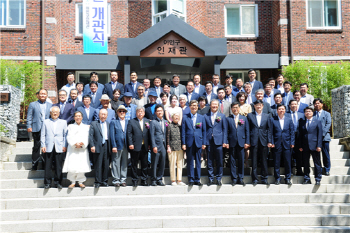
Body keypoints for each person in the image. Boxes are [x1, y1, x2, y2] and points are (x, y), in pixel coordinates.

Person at [40, 106, 67, 189]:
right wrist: (43, 145)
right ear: (50, 113)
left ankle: (58, 182)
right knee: (48, 165)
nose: (55, 113)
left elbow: (65, 135)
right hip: (48, 146)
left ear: (59, 113)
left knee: (59, 165)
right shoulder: (46, 122)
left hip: (59, 146)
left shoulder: (63, 122)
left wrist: (64, 145)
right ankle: (47, 183)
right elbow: (43, 135)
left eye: (56, 112)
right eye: (53, 112)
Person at [63, 111, 91, 188]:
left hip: (82, 149)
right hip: (73, 149)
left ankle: (81, 181)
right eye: (76, 116)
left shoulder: (86, 127)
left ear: (82, 117)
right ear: (74, 117)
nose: (78, 117)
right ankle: (72, 181)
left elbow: (87, 137)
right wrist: (74, 144)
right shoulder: (70, 126)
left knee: (81, 164)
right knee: (72, 164)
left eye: (79, 116)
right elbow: (69, 137)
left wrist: (82, 144)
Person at [181, 100, 206, 186]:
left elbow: (204, 131)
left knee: (198, 162)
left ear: (197, 107)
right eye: (192, 105)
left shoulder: (201, 117)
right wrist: (183, 143)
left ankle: (197, 179)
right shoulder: (185, 117)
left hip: (199, 142)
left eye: (195, 105)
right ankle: (191, 179)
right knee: (190, 161)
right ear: (190, 107)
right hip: (189, 142)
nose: (194, 107)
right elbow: (183, 131)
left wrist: (204, 143)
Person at [247, 100, 272, 185]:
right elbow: (248, 129)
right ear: (254, 106)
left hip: (264, 141)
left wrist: (269, 141)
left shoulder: (267, 116)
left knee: (264, 160)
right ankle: (254, 179)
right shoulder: (250, 115)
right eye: (257, 105)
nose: (258, 107)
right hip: (253, 141)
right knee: (254, 161)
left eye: (260, 105)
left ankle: (264, 178)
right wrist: (248, 141)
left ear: (263, 106)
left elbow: (269, 129)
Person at [27, 89, 52, 170]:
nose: (42, 95)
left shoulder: (50, 105)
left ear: (47, 95)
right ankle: (34, 164)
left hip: (47, 129)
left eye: (44, 94)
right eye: (41, 94)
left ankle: (45, 165)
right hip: (36, 127)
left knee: (46, 146)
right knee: (36, 146)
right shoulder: (33, 104)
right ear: (38, 95)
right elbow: (29, 116)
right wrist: (28, 126)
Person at [204, 99, 227, 186]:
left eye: (216, 105)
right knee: (209, 161)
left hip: (219, 142)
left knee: (219, 161)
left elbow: (225, 129)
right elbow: (204, 130)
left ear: (218, 106)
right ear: (210, 105)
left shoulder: (222, 116)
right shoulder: (205, 116)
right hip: (209, 141)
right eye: (213, 104)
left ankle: (218, 178)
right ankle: (210, 178)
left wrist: (224, 141)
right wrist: (204, 142)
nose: (214, 106)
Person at [270, 104, 295, 185]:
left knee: (288, 162)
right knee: (276, 163)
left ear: (285, 110)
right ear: (277, 110)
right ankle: (277, 178)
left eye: (283, 109)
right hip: (276, 144)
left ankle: (287, 178)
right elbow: (270, 132)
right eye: (279, 109)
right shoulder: (272, 119)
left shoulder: (289, 119)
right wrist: (272, 142)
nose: (281, 110)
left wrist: (292, 142)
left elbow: (292, 132)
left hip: (287, 144)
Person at [227, 102, 250, 186]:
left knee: (241, 161)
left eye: (236, 107)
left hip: (241, 142)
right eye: (233, 107)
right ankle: (234, 178)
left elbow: (247, 131)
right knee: (232, 161)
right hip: (232, 142)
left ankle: (240, 178)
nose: (235, 109)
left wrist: (247, 142)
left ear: (239, 108)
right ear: (231, 109)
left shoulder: (243, 118)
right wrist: (226, 142)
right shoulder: (228, 119)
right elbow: (226, 131)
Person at [299, 107, 323, 185]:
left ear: (312, 112)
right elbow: (300, 135)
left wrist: (319, 145)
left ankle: (318, 179)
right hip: (305, 146)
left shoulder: (317, 121)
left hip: (315, 146)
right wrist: (300, 145)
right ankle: (307, 178)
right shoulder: (302, 122)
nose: (308, 112)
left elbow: (320, 134)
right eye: (306, 111)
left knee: (317, 163)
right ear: (304, 113)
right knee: (306, 163)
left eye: (309, 111)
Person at [127, 107, 150, 187]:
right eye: (138, 112)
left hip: (145, 146)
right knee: (134, 164)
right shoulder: (131, 121)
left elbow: (149, 133)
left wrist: (149, 144)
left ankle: (144, 180)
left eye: (141, 111)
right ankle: (135, 180)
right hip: (135, 146)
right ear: (136, 113)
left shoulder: (147, 121)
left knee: (144, 165)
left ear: (144, 113)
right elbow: (129, 134)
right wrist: (130, 143)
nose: (140, 113)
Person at [89, 109, 110, 188]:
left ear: (107, 116)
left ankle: (105, 181)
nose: (103, 116)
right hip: (97, 145)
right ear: (99, 115)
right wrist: (92, 145)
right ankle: (98, 181)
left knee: (106, 164)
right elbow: (91, 136)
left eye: (105, 114)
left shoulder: (108, 124)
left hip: (107, 145)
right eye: (102, 114)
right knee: (98, 164)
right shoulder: (94, 124)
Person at [110, 105, 129, 187]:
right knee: (116, 163)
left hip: (126, 145)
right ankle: (116, 180)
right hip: (117, 145)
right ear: (117, 112)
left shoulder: (128, 122)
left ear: (125, 113)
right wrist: (113, 145)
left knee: (124, 163)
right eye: (120, 111)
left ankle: (123, 179)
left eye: (123, 111)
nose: (122, 112)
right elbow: (112, 135)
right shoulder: (113, 122)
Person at [150, 105, 168, 186]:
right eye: (158, 111)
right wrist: (154, 145)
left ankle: (159, 179)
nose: (160, 112)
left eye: (161, 110)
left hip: (163, 146)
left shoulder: (165, 122)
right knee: (154, 163)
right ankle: (153, 179)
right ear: (155, 112)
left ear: (163, 112)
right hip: (156, 146)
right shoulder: (153, 122)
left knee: (162, 163)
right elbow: (152, 135)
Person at [313, 98, 332, 176]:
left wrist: (321, 134)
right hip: (314, 138)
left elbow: (328, 124)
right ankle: (319, 170)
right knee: (316, 155)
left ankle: (327, 169)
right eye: (315, 103)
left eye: (318, 103)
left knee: (325, 154)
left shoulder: (327, 114)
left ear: (322, 104)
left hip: (324, 137)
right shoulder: (312, 114)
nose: (317, 105)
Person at [167, 113, 185, 186]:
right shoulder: (169, 126)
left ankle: (179, 180)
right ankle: (173, 180)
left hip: (180, 148)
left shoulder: (180, 126)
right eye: (175, 116)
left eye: (178, 116)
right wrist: (168, 146)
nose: (176, 117)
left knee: (180, 164)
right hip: (172, 148)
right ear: (172, 117)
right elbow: (167, 137)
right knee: (172, 164)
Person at [288, 99, 305, 176]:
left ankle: (299, 170)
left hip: (298, 137)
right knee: (289, 154)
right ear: (289, 105)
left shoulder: (301, 115)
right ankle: (290, 170)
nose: (294, 105)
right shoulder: (286, 114)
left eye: (295, 104)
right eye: (292, 104)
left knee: (299, 154)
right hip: (288, 137)